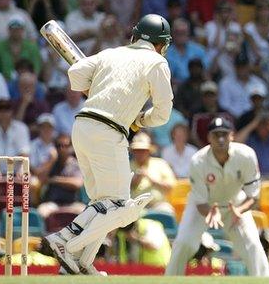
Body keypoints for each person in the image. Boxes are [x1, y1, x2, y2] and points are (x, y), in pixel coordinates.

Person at [42, 14, 173, 275]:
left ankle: (81, 262)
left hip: (82, 127)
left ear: (135, 36)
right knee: (123, 209)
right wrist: (140, 119)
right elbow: (163, 112)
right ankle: (65, 240)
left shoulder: (110, 52)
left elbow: (75, 73)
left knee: (102, 204)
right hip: (109, 131)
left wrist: (96, 85)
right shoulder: (157, 62)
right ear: (162, 44)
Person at [165, 117, 269, 276]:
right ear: (209, 138)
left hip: (235, 204)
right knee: (183, 243)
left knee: (253, 244)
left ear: (232, 136)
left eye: (224, 134)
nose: (220, 139)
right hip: (203, 206)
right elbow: (200, 202)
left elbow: (253, 195)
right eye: (216, 135)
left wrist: (239, 210)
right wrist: (211, 212)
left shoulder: (246, 155)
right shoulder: (198, 160)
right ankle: (170, 280)